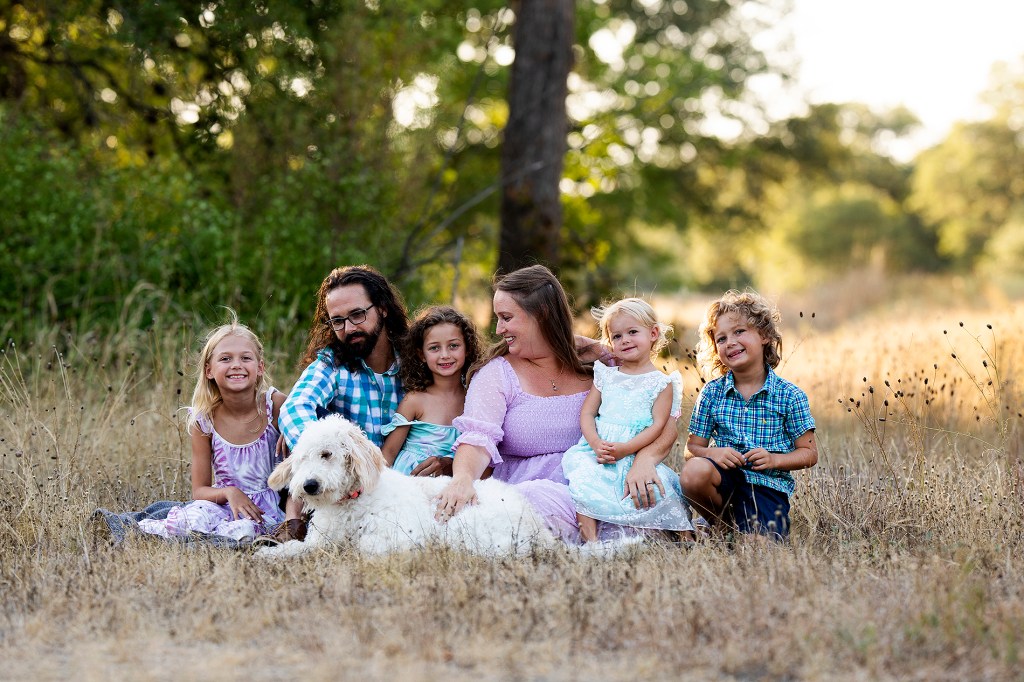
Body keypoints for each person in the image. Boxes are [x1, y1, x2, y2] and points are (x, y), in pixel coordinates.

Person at [433, 265, 681, 542]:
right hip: (530, 488)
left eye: (506, 317)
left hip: (601, 481)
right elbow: (478, 438)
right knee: (533, 503)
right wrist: (463, 479)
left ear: (541, 315)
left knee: (646, 509)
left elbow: (665, 415)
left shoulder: (599, 359)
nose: (499, 328)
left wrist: (645, 461)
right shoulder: (496, 373)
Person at [263, 264, 410, 544]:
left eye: (357, 314)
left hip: (401, 486)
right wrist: (314, 446)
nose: (349, 328)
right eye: (337, 320)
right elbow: (296, 407)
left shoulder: (415, 359)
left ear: (383, 308)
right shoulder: (332, 364)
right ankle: (294, 524)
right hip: (343, 484)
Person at [681, 290, 818, 541]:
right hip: (722, 478)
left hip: (766, 486)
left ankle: (745, 530)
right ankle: (719, 522)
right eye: (721, 339)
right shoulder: (712, 393)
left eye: (739, 332)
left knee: (757, 548)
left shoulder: (790, 395)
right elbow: (692, 448)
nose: (730, 342)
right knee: (693, 473)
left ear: (764, 335)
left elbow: (809, 454)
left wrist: (774, 460)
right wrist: (714, 453)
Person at [137, 312, 286, 541]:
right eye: (225, 359)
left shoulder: (275, 406)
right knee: (186, 522)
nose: (236, 365)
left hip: (263, 510)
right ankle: (204, 535)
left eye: (246, 358)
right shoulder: (204, 421)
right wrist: (229, 492)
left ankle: (216, 538)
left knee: (244, 532)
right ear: (209, 371)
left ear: (260, 367)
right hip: (221, 503)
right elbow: (199, 491)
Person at [562, 298, 694, 542]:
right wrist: (594, 443)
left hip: (635, 452)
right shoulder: (606, 375)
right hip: (601, 449)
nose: (625, 340)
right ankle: (590, 542)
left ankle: (683, 537)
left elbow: (658, 425)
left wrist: (627, 449)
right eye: (617, 336)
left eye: (633, 332)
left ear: (653, 333)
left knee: (660, 485)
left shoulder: (662, 383)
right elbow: (588, 413)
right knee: (584, 480)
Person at [381, 305, 482, 477]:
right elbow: (388, 454)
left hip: (450, 489)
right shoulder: (415, 400)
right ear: (422, 355)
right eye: (434, 348)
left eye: (454, 346)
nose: (444, 355)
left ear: (468, 348)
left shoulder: (474, 401)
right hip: (409, 484)